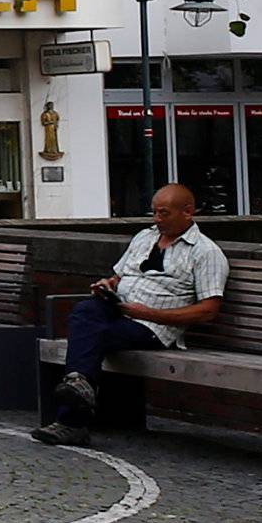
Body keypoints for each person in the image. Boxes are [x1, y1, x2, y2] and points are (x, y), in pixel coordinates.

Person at [33, 183, 228, 447]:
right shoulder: (144, 237)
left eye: (164, 213)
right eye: (155, 213)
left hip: (153, 325)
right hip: (120, 308)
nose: (157, 219)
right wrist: (109, 284)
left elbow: (208, 309)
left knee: (94, 334)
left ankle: (72, 421)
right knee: (84, 311)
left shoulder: (205, 252)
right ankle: (79, 384)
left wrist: (151, 313)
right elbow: (121, 274)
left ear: (188, 212)